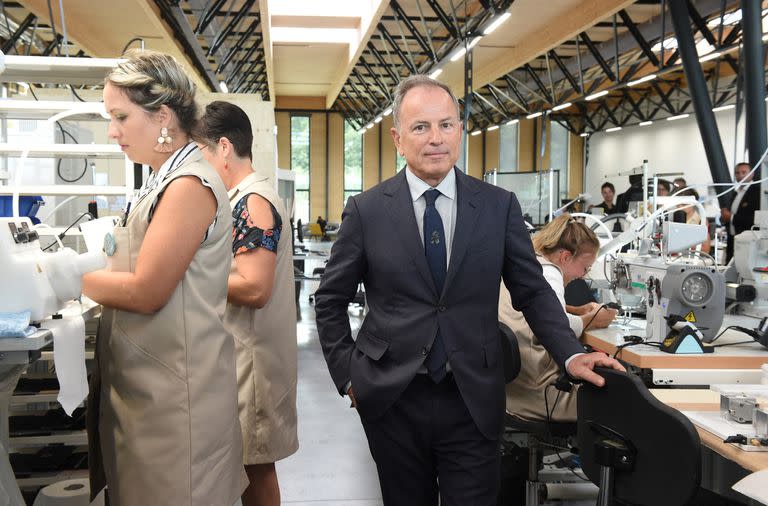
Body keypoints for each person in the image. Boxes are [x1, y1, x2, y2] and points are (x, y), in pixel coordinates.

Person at [314, 75, 624, 506]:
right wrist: (348, 376)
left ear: (460, 130)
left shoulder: (498, 207)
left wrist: (569, 354)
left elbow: (532, 291)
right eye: (420, 127)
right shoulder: (367, 210)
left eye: (446, 124)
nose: (435, 138)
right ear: (397, 138)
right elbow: (330, 299)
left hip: (473, 397)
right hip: (392, 397)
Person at [82, 50, 244, 505]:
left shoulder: (188, 185)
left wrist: (66, 280)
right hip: (148, 394)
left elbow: (146, 290)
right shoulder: (159, 180)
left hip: (176, 405)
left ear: (164, 118)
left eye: (120, 116)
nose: (112, 131)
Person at [197, 101, 298, 506]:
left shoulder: (253, 201)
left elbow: (255, 287)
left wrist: (191, 274)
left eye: (200, 154)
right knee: (248, 467)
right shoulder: (238, 199)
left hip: (252, 364)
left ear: (224, 148)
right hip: (242, 358)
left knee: (255, 469)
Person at [499, 214, 617, 422]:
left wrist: (577, 309)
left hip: (509, 392)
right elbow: (559, 327)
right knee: (622, 401)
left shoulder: (527, 264)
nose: (584, 275)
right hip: (539, 395)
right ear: (564, 257)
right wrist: (596, 319)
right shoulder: (549, 271)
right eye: (585, 267)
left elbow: (534, 311)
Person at [722, 162, 760, 262]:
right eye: (737, 173)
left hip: (747, 242)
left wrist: (730, 217)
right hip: (732, 240)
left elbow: (755, 219)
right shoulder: (736, 193)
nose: (740, 175)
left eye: (744, 172)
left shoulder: (757, 192)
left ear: (752, 174)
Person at [677, 188, 711, 254]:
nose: (679, 207)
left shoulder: (701, 221)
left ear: (693, 204)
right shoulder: (674, 217)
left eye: (684, 204)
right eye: (677, 204)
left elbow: (706, 248)